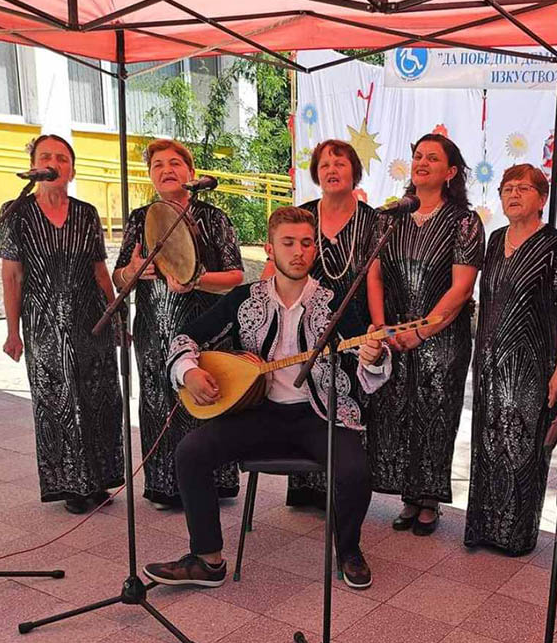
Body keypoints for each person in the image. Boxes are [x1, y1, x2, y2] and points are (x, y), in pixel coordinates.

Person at [142, 206, 388, 590]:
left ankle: (349, 551)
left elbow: (362, 354)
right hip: (259, 413)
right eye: (288, 243)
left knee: (355, 469)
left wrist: (373, 355)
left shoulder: (335, 301)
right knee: (190, 452)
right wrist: (188, 371)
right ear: (269, 249)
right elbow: (186, 337)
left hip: (318, 414)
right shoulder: (244, 299)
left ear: (315, 249)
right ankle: (207, 560)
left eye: (306, 243)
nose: (298, 252)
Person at [114, 139, 244, 509]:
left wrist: (197, 280)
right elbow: (119, 278)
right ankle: (164, 486)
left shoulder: (213, 218)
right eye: (157, 165)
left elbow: (235, 276)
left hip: (204, 330)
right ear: (150, 175)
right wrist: (132, 271)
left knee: (204, 401)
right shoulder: (140, 219)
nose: (166, 170)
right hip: (153, 329)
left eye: (174, 162)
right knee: (158, 404)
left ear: (190, 172)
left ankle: (214, 483)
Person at [367, 133, 485, 535]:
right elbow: (374, 276)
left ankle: (429, 499)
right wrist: (381, 327)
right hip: (393, 334)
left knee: (435, 413)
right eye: (418, 156)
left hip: (442, 337)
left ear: (450, 172)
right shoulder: (389, 216)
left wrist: (421, 331)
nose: (422, 163)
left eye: (432, 158)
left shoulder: (465, 222)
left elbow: (461, 289)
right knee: (396, 411)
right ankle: (408, 496)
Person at [0, 134, 123, 513]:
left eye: (62, 158)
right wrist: (13, 332)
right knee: (57, 401)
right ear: (34, 166)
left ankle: (98, 480)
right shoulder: (15, 212)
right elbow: (12, 276)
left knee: (98, 398)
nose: (54, 163)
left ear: (72, 169)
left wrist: (115, 316)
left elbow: (100, 271)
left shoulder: (87, 213)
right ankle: (71, 485)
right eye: (45, 157)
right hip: (43, 322)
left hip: (91, 321)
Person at [465, 164, 557, 555]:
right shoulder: (495, 239)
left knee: (522, 450)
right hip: (489, 364)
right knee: (487, 445)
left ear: (542, 198)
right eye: (507, 189)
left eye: (523, 188)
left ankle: (515, 535)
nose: (513, 195)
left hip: (534, 367)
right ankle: (484, 528)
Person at [263, 140, 380, 509]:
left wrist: (377, 326)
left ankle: (344, 493)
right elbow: (275, 268)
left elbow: (374, 276)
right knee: (305, 397)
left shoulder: (373, 220)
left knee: (344, 406)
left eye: (340, 163)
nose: (332, 170)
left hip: (352, 326)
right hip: (303, 324)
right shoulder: (303, 215)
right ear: (315, 173)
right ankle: (308, 491)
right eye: (324, 164)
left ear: (354, 171)